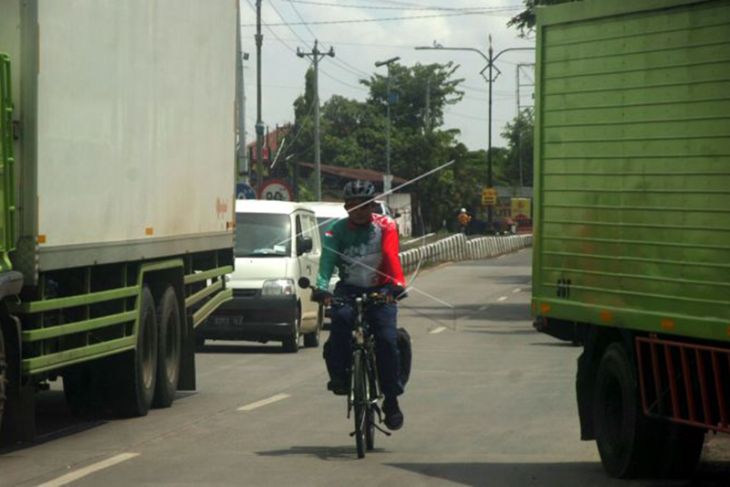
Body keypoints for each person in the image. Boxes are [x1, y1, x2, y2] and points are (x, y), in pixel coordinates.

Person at [314, 180, 407, 431]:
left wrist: (397, 284)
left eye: (365, 206)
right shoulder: (336, 231)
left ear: (373, 206)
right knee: (341, 324)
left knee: (387, 340)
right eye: (355, 207)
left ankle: (391, 400)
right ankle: (341, 377)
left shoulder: (386, 226)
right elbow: (326, 263)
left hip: (382, 290)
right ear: (346, 208)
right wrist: (322, 289)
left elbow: (390, 255)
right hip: (348, 289)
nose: (361, 211)